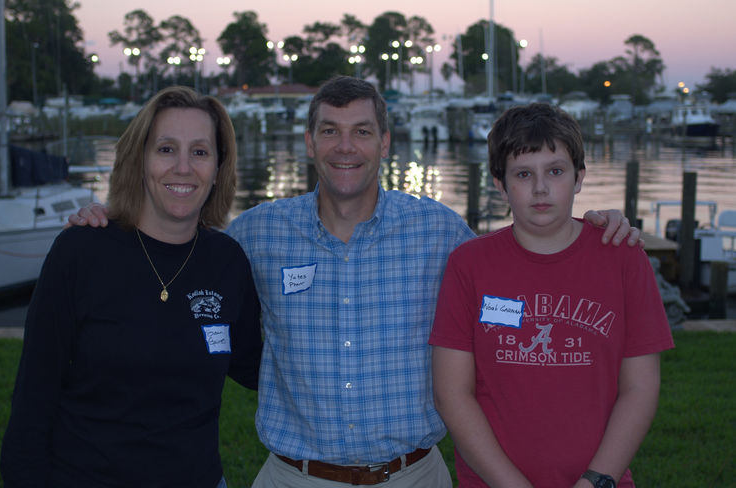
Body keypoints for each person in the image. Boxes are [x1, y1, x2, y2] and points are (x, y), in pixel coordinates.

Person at [69, 76, 640, 487]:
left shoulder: (441, 234)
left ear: (385, 144)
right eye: (331, 131)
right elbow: (175, 250)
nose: (347, 147)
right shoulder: (256, 234)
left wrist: (593, 226)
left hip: (414, 474)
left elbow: (521, 251)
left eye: (362, 131)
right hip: (294, 477)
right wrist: (109, 224)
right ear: (311, 143)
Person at [1, 86, 263, 488]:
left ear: (218, 168)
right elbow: (33, 398)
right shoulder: (81, 252)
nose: (182, 167)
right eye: (165, 149)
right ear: (139, 161)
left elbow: (258, 365)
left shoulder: (226, 261)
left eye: (199, 151)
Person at [429, 103, 675, 488]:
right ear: (499, 184)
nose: (541, 188)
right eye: (523, 174)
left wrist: (596, 480)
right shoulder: (469, 265)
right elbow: (452, 394)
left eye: (555, 171)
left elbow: (640, 388)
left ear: (578, 178)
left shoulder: (624, 257)